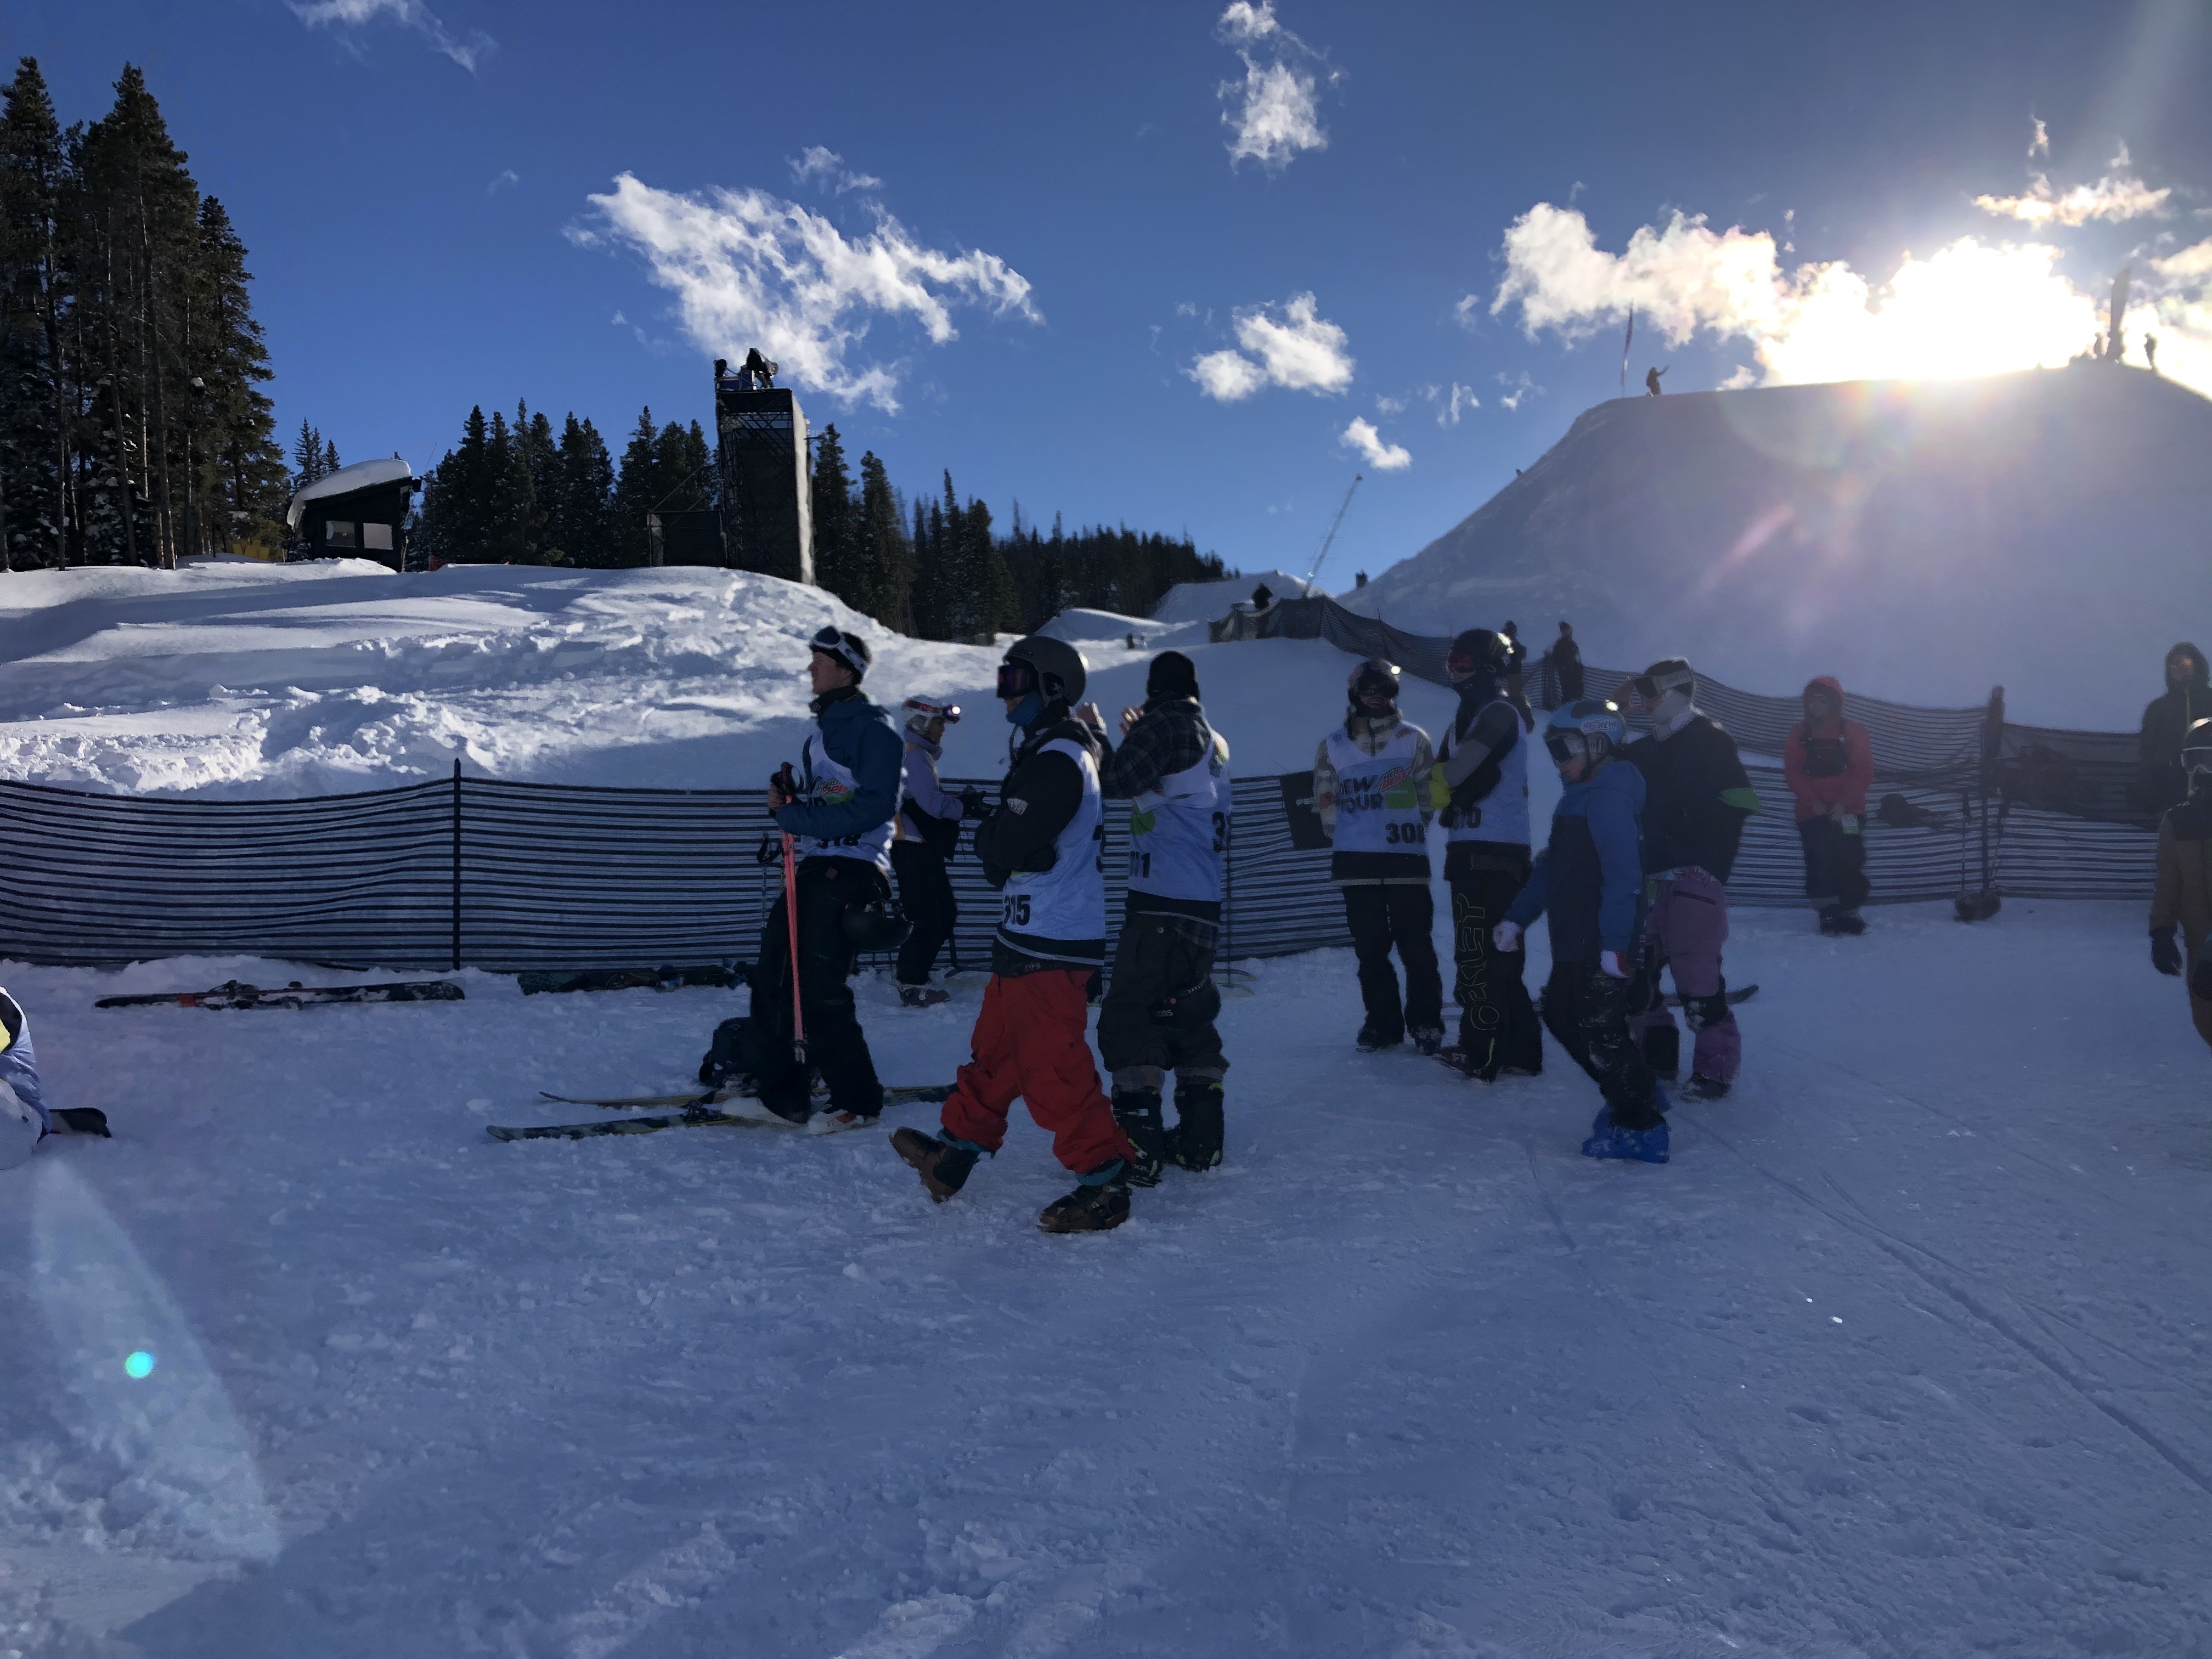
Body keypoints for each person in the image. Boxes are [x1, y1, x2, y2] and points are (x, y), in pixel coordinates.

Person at [891, 636, 1137, 1233]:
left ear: (1051, 687)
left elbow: (1000, 848)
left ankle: (1105, 1181)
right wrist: (1002, 844)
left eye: (1015, 682)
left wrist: (997, 843)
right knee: (997, 1051)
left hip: (1053, 937)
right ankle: (954, 1154)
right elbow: (1007, 848)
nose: (1005, 695)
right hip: (1026, 932)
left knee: (1051, 1063)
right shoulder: (1050, 752)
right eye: (1002, 681)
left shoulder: (1057, 760)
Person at [1078, 650, 1231, 1182]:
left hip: (1161, 903)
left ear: (1156, 689)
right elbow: (1151, 775)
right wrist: (1132, 737)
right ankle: (1200, 1137)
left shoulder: (1167, 725)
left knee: (1131, 1015)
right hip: (1200, 904)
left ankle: (1136, 1147)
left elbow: (1117, 781)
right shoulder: (1205, 735)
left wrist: (1095, 736)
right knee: (1188, 1013)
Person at [1499, 699, 1669, 1163]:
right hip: (1573, 938)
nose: (1557, 761)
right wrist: (1518, 916)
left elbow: (1624, 876)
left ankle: (1642, 1123)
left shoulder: (1611, 796)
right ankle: (1637, 1090)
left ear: (1598, 744)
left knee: (1599, 1029)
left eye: (1563, 750)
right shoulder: (1578, 796)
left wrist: (1617, 945)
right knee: (1558, 1012)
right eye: (1552, 750)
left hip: (1601, 940)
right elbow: (1552, 867)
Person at [755, 625, 904, 1129]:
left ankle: (858, 1099)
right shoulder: (821, 734)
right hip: (818, 866)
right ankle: (784, 1088)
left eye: (818, 662)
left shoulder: (873, 730)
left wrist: (799, 818)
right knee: (778, 975)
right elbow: (831, 797)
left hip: (852, 870)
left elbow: (878, 804)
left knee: (818, 986)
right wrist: (790, 798)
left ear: (846, 670)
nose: (810, 670)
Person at [1621, 659, 1760, 1101]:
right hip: (1648, 876)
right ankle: (1657, 1056)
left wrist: (1697, 837)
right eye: (1640, 692)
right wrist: (1614, 710)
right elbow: (1599, 760)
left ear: (1678, 690)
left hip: (1693, 876)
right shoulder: (1646, 748)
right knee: (1635, 976)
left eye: (1650, 692)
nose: (1644, 702)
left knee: (1696, 975)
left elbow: (1741, 800)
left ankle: (1714, 1069)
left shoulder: (1710, 740)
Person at [1314, 658, 1444, 1053]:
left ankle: (1426, 1023)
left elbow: (1431, 797)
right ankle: (1382, 1023)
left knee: (1416, 945)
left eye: (1385, 690)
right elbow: (1326, 803)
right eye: (1369, 689)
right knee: (1371, 948)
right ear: (1355, 693)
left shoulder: (1413, 739)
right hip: (1357, 864)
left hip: (1405, 860)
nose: (1377, 697)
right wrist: (1353, 833)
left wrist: (1407, 829)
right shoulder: (1333, 746)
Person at [1430, 629, 1542, 1081]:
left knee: (1479, 955)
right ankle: (1521, 1051)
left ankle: (1482, 1053)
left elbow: (1449, 775)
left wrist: (1447, 787)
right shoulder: (1464, 718)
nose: (1456, 672)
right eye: (1451, 663)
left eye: (1465, 664)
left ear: (1488, 667)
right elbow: (1439, 787)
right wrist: (1446, 788)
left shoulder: (1498, 711)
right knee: (1498, 954)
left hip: (1491, 850)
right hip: (1475, 848)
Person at [891, 698, 983, 1007]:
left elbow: (921, 799)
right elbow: (931, 805)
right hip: (915, 850)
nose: (943, 729)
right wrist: (964, 807)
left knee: (939, 914)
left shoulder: (914, 756)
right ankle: (910, 982)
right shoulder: (916, 758)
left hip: (914, 848)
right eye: (939, 723)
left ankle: (914, 975)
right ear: (920, 724)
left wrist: (956, 803)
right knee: (934, 917)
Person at [1783, 676, 1875, 935]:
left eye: (1822, 699)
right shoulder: (1799, 733)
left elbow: (1863, 771)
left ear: (1834, 703)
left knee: (1851, 857)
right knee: (1819, 858)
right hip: (1811, 813)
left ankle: (1850, 911)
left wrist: (1843, 804)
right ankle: (1828, 912)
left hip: (1849, 813)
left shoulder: (1854, 731)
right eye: (1812, 699)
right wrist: (1812, 803)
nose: (1816, 704)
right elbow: (1793, 771)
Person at [2151, 718, 2212, 1057]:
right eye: (2196, 760)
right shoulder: (2179, 820)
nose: (2204, 771)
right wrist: (2161, 929)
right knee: (2206, 1026)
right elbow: (2168, 879)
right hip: (2199, 950)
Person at [2135, 644, 2209, 817]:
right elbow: (2147, 754)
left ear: (2197, 664)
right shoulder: (2158, 709)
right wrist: (2150, 795)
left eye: (2184, 662)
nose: (2179, 668)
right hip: (2171, 798)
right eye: (2173, 665)